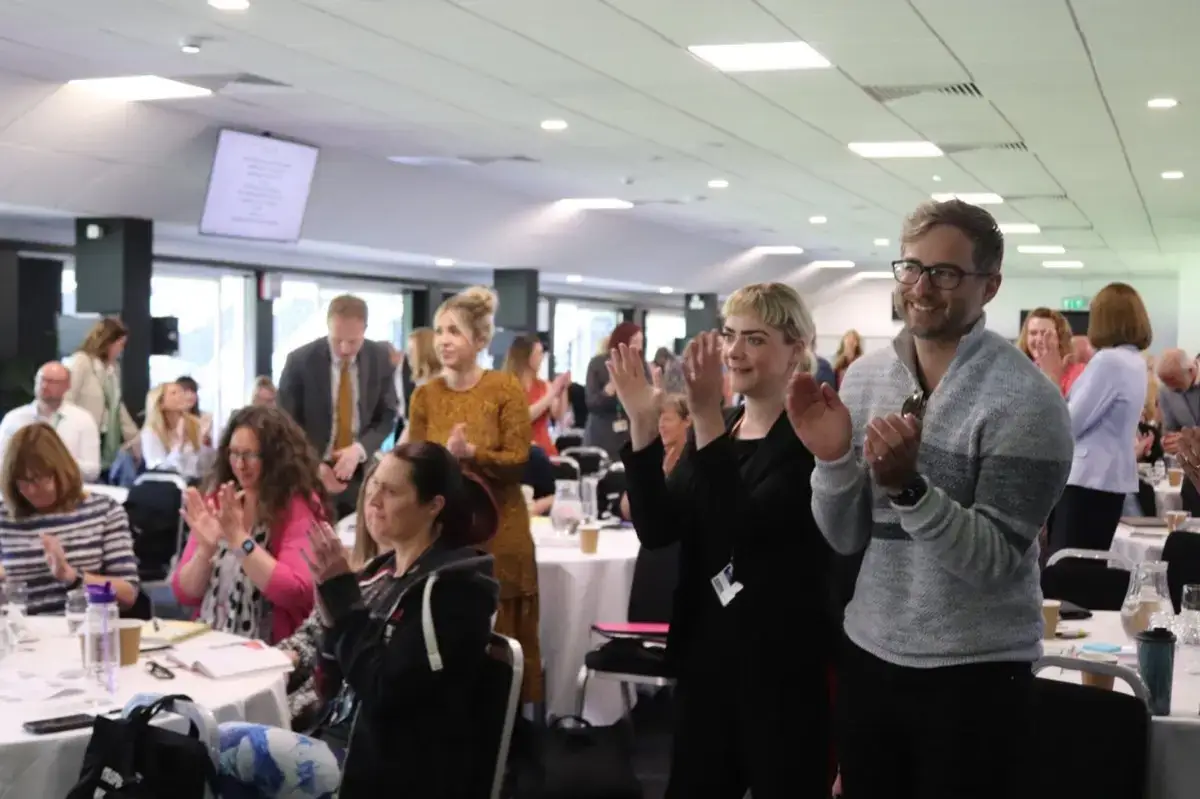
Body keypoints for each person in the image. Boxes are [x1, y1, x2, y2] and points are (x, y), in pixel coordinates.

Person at [790, 199, 1072, 799]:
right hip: (872, 653)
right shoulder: (865, 378)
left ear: (989, 286)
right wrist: (833, 460)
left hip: (977, 672)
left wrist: (910, 489)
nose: (921, 287)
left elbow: (994, 560)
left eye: (945, 272)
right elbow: (845, 537)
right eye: (911, 267)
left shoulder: (1028, 402)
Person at [615, 282, 835, 798]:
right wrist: (643, 426)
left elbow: (739, 527)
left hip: (777, 662)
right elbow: (659, 528)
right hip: (708, 655)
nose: (734, 351)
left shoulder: (810, 439)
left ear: (796, 350)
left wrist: (707, 415)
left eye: (755, 339)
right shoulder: (727, 428)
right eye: (730, 335)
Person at [210, 441, 501, 799]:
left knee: (218, 745)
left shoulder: (456, 588)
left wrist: (343, 601)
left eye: (391, 491)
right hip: (339, 738)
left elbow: (384, 691)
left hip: (387, 769)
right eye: (374, 485)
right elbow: (331, 684)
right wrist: (331, 614)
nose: (373, 500)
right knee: (198, 738)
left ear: (433, 506)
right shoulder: (381, 573)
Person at [406, 286, 542, 703]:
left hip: (502, 529)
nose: (444, 340)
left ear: (480, 341)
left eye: (455, 332)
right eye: (440, 331)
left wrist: (471, 454)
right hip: (445, 534)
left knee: (501, 649)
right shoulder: (425, 395)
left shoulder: (504, 389)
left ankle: (509, 743)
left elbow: (520, 460)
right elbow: (411, 461)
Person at [171, 406, 328, 643]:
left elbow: (296, 592)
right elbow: (185, 593)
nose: (240, 465)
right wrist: (204, 552)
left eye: (250, 455)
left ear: (276, 458)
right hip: (209, 642)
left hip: (268, 650)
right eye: (234, 454)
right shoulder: (219, 497)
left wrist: (239, 540)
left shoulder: (296, 506)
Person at [1048, 283, 1152, 555]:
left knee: (1066, 565)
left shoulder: (1108, 361)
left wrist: (1052, 379)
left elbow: (1068, 424)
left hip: (1087, 481)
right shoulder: (1135, 361)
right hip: (1109, 479)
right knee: (1089, 564)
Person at [278, 295, 399, 519]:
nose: (344, 349)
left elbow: (388, 416)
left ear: (365, 329)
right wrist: (313, 466)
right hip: (309, 473)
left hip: (361, 472)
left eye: (353, 341)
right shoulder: (300, 361)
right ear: (327, 327)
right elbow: (284, 426)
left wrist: (359, 450)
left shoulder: (379, 358)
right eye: (337, 340)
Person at [0, 423, 139, 613]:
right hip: (20, 632)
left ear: (61, 473)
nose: (31, 490)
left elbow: (128, 593)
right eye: (22, 482)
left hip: (83, 628)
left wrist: (72, 576)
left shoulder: (104, 511)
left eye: (39, 480)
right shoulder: (5, 518)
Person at [0, 362, 100, 482]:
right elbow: (2, 463)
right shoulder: (14, 418)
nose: (44, 385)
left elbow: (92, 471)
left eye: (52, 381)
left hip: (69, 492)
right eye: (41, 380)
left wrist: (56, 462)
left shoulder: (83, 419)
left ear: (67, 386)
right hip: (22, 489)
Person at [64, 316, 138, 472]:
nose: (121, 350)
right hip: (81, 436)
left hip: (106, 438)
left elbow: (117, 407)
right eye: (120, 344)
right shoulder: (81, 362)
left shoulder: (113, 369)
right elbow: (66, 399)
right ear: (107, 342)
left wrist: (136, 438)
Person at [618, 393, 690, 521]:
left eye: (667, 419)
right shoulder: (655, 457)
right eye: (659, 420)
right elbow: (627, 510)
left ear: (687, 422)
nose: (661, 425)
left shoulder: (693, 461)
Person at [584, 322, 644, 459]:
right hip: (601, 432)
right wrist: (609, 389)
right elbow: (591, 403)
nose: (639, 347)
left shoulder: (640, 366)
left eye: (641, 342)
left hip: (629, 432)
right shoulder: (598, 364)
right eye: (635, 341)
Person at [504, 334, 570, 455]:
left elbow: (558, 415)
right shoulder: (507, 387)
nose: (542, 358)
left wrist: (562, 390)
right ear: (526, 356)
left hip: (545, 450)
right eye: (539, 353)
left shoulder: (545, 386)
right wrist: (552, 394)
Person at [140, 382, 204, 480]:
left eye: (181, 392)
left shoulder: (194, 424)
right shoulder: (150, 431)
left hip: (194, 483)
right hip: (167, 485)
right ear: (161, 403)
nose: (181, 395)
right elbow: (159, 470)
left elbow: (200, 462)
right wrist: (179, 444)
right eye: (174, 393)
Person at [1017, 307, 1085, 396]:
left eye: (1046, 333)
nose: (1039, 339)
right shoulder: (1018, 370)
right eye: (1033, 333)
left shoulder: (1078, 373)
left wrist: (1054, 378)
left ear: (1060, 338)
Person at [1156, 348, 1200, 455]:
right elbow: (1170, 429)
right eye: (1166, 383)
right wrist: (1168, 442)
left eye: (1175, 383)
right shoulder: (1165, 390)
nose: (1171, 389)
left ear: (1191, 371)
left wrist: (1190, 439)